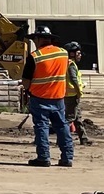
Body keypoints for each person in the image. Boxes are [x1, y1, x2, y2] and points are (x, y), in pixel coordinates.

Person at [21, 26, 74, 167]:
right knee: (62, 126)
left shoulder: (35, 57)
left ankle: (44, 157)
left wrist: (28, 91)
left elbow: (25, 81)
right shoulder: (64, 53)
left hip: (39, 98)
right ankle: (67, 157)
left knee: (41, 127)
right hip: (58, 97)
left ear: (38, 39)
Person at [63, 41, 92, 146]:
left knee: (78, 118)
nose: (80, 55)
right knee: (69, 118)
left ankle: (83, 138)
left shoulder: (70, 64)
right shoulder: (70, 65)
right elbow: (74, 79)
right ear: (72, 53)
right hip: (72, 96)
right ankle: (62, 139)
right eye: (78, 53)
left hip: (72, 95)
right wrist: (79, 91)